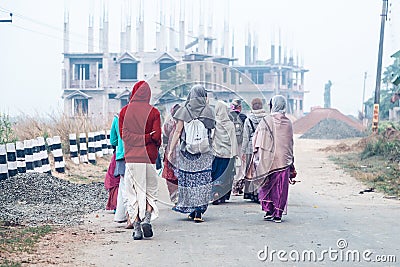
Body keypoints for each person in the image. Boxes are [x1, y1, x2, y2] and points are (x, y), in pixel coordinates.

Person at [168, 84, 215, 223]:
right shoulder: (208, 111)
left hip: (186, 152)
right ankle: (199, 211)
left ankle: (192, 209)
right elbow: (212, 130)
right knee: (202, 180)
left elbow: (177, 131)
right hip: (204, 152)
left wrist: (171, 150)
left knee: (189, 180)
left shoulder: (184, 110)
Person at [121, 80, 161, 240]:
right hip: (149, 159)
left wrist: (137, 138)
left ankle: (137, 227)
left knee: (133, 193)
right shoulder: (154, 112)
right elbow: (157, 137)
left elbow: (125, 136)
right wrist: (148, 138)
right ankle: (147, 219)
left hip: (131, 159)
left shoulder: (125, 111)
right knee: (150, 191)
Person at [250, 95, 294, 223]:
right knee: (280, 187)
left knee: (266, 184)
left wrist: (257, 156)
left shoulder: (266, 121)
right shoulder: (288, 123)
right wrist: (292, 160)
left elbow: (257, 139)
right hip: (283, 160)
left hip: (267, 160)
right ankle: (277, 213)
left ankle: (268, 211)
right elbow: (290, 143)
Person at [211, 100, 238, 205]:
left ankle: (215, 194)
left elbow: (212, 138)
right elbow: (233, 141)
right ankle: (222, 195)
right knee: (226, 175)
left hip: (216, 154)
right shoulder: (230, 124)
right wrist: (235, 154)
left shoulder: (215, 123)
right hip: (228, 155)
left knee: (216, 173)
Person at [241, 98, 267, 202]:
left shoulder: (249, 119)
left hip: (250, 147)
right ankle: (260, 192)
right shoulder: (266, 119)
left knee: (250, 170)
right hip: (262, 146)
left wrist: (243, 151)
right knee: (260, 170)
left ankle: (251, 193)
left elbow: (245, 137)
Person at [110, 112, 131, 228]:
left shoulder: (117, 118)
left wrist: (119, 144)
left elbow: (112, 140)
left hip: (121, 156)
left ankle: (124, 216)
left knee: (123, 185)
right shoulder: (137, 115)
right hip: (138, 155)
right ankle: (134, 216)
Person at [161, 103, 181, 204]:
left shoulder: (169, 122)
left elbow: (164, 134)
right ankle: (181, 197)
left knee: (171, 177)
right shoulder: (185, 122)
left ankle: (175, 198)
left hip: (171, 153)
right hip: (183, 154)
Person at [229, 99, 247, 196]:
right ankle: (238, 186)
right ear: (239, 107)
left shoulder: (228, 116)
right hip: (241, 144)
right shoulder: (243, 117)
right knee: (241, 165)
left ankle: (233, 186)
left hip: (230, 144)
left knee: (232, 164)